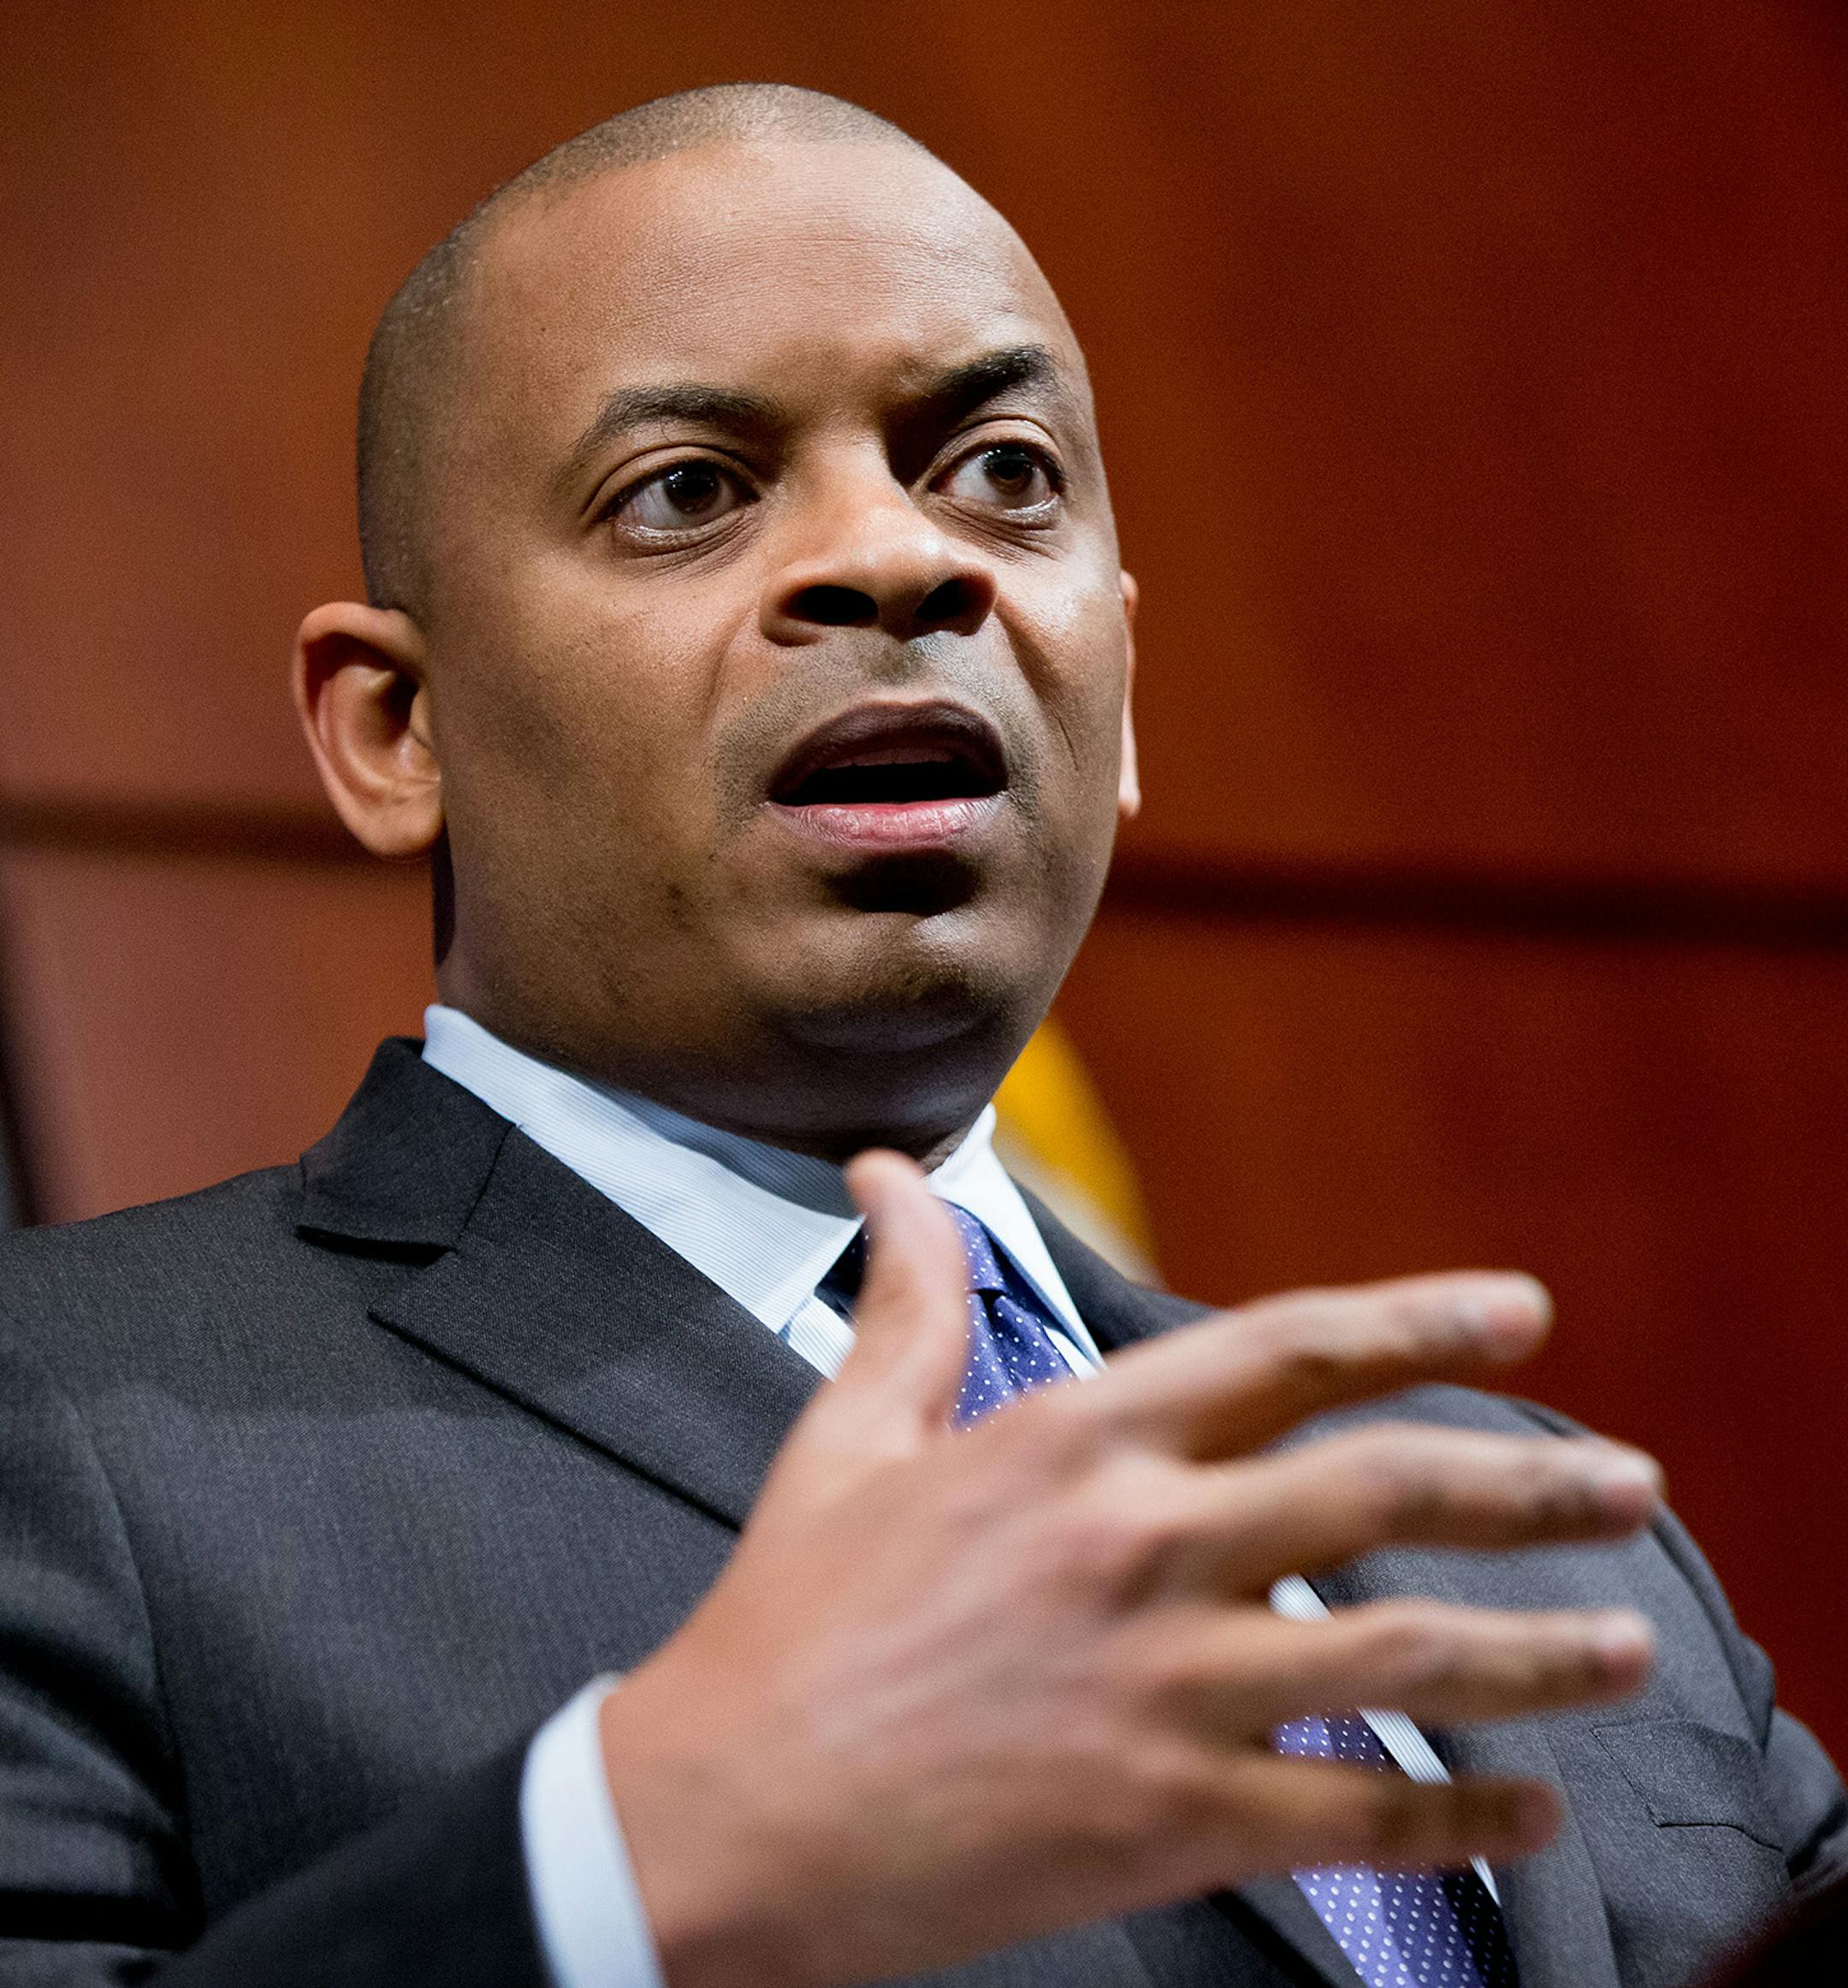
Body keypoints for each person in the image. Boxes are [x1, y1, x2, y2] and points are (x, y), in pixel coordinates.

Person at [0, 84, 1839, 1988]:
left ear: (1120, 697)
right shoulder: (63, 1439)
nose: (901, 560)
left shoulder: (1554, 1538)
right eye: (689, 491)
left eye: (1002, 470)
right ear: (400, 730)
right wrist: (633, 1866)